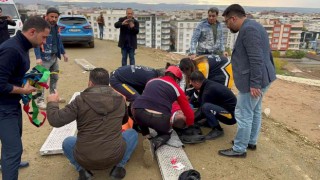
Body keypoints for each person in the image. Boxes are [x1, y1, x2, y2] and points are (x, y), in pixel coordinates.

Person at [46, 68, 138, 180]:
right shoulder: (120, 100)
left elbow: (56, 120)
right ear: (107, 83)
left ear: (90, 83)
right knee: (132, 133)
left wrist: (52, 102)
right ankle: (119, 167)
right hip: (114, 156)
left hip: (85, 158)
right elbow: (123, 121)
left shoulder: (79, 101)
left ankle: (83, 171)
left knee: (67, 142)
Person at [218, 4, 276, 158]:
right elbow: (265, 54)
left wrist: (255, 83)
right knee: (255, 111)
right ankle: (250, 141)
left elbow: (256, 58)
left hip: (254, 81)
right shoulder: (254, 25)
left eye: (226, 22)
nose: (226, 25)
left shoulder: (249, 30)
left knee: (244, 113)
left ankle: (239, 148)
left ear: (233, 18)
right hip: (263, 77)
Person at [0, 16, 50, 180]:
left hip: (12, 104)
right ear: (32, 32)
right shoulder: (12, 50)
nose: (43, 42)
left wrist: (30, 79)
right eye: (43, 37)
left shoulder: (21, 46)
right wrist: (23, 90)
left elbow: (11, 76)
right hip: (3, 107)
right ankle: (10, 164)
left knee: (13, 146)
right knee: (13, 150)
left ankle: (10, 161)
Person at [131, 66, 194, 167]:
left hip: (139, 113)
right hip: (160, 119)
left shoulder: (151, 81)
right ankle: (154, 144)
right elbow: (188, 111)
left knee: (137, 107)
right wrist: (190, 124)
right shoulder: (177, 88)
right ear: (177, 79)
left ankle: (146, 134)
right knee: (167, 133)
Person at [34, 7, 68, 110]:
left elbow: (59, 41)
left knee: (55, 78)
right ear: (46, 16)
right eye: (51, 16)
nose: (53, 19)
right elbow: (36, 43)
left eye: (56, 17)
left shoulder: (56, 27)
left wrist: (64, 53)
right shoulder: (40, 27)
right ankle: (39, 101)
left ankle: (53, 96)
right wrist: (38, 57)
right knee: (42, 80)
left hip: (54, 57)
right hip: (44, 58)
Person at [190, 71, 237, 140]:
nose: (192, 86)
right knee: (205, 106)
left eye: (192, 84)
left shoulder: (208, 90)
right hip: (225, 109)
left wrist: (191, 120)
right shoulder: (207, 84)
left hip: (231, 117)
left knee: (206, 107)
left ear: (196, 83)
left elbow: (202, 109)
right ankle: (209, 122)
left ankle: (217, 130)